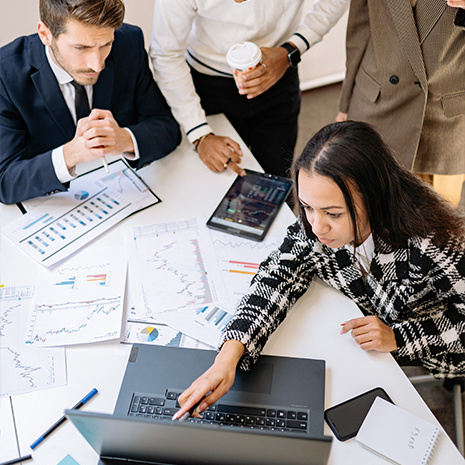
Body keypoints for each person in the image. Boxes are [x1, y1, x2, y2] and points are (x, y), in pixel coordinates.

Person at [173, 120, 465, 420]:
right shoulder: (318, 219)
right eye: (307, 207)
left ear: (374, 198)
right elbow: (278, 274)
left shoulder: (434, 242)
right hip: (370, 331)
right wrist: (228, 356)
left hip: (436, 351)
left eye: (333, 214)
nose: (316, 226)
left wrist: (399, 337)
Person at [0, 0, 181, 205]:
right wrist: (71, 154)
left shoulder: (129, 43)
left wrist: (124, 139)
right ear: (45, 34)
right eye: (81, 47)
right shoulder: (6, 74)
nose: (97, 64)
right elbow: (4, 181)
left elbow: (166, 127)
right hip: (55, 206)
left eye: (106, 45)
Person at [150, 0, 349, 179]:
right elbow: (166, 53)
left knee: (279, 180)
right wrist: (199, 134)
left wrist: (292, 49)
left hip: (279, 73)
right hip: (207, 85)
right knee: (219, 180)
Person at [336, 0, 465, 205]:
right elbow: (359, 26)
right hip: (376, 100)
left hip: (442, 118)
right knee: (368, 206)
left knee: (432, 220)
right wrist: (346, 102)